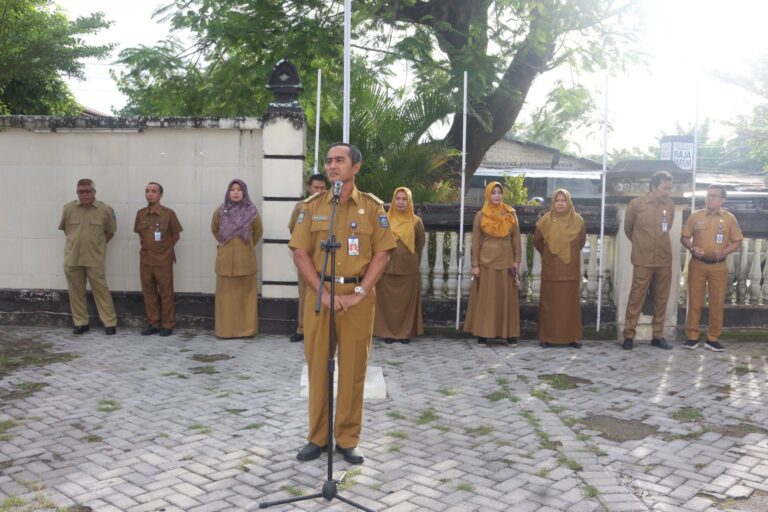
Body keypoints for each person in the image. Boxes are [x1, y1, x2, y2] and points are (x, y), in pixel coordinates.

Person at [289, 142, 396, 465]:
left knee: (352, 370)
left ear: (356, 168)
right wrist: (321, 292)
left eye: (339, 160)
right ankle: (317, 437)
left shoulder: (373, 208)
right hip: (320, 297)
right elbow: (299, 252)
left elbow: (383, 253)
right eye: (329, 161)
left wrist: (360, 292)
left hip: (357, 299)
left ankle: (347, 439)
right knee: (319, 367)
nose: (332, 165)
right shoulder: (312, 206)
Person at [680, 185, 743, 351]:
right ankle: (692, 336)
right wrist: (692, 247)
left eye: (714, 196)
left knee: (717, 302)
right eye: (708, 195)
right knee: (695, 301)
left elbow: (737, 241)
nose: (709, 199)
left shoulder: (730, 219)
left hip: (718, 266)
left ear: (723, 200)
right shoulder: (696, 216)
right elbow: (684, 237)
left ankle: (713, 338)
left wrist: (724, 252)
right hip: (697, 264)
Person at [621, 170, 675, 351]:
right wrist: (640, 244)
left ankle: (657, 336)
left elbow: (668, 227)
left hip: (664, 259)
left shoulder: (670, 205)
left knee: (661, 298)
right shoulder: (636, 204)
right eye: (664, 187)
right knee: (636, 297)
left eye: (669, 188)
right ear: (653, 186)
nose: (667, 191)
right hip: (642, 259)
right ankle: (629, 335)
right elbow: (628, 229)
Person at [463, 181, 522, 347]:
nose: (497, 195)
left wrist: (517, 260)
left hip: (506, 260)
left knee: (507, 298)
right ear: (488, 195)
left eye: (499, 192)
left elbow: (516, 239)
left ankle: (508, 333)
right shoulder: (481, 215)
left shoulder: (511, 213)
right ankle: (482, 333)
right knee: (486, 299)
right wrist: (475, 264)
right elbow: (475, 240)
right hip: (486, 261)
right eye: (493, 192)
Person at [58, 178, 118, 335]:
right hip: (73, 257)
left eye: (87, 191)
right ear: (77, 192)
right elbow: (67, 231)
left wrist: (96, 245)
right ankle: (81, 323)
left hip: (94, 258)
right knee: (76, 291)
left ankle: (109, 323)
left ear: (94, 192)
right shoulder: (68, 208)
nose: (84, 194)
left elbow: (110, 232)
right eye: (81, 191)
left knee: (101, 290)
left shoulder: (105, 210)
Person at [534, 189, 587, 349]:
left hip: (570, 269)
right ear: (553, 203)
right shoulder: (545, 221)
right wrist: (550, 255)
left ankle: (572, 338)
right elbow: (537, 242)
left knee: (570, 306)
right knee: (550, 305)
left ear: (569, 202)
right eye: (557, 200)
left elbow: (582, 242)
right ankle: (546, 338)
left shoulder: (578, 221)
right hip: (552, 270)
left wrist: (568, 253)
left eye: (564, 200)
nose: (560, 203)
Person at [211, 179, 263, 338]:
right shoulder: (220, 211)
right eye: (232, 189)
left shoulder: (252, 212)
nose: (235, 192)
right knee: (225, 300)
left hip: (245, 262)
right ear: (228, 192)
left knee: (246, 299)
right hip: (225, 262)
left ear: (244, 192)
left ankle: (247, 331)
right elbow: (215, 230)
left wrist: (244, 248)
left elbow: (258, 232)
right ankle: (225, 331)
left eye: (239, 189)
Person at [374, 186, 425, 344]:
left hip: (408, 268)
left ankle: (405, 334)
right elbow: (377, 241)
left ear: (409, 201)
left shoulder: (416, 221)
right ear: (393, 200)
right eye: (398, 199)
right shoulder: (384, 219)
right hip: (386, 267)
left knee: (406, 304)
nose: (400, 202)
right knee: (387, 303)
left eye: (404, 199)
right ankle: (387, 333)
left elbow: (420, 243)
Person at [133, 182, 183, 336]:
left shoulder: (168, 214)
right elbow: (140, 235)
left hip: (163, 261)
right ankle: (153, 323)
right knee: (149, 293)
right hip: (146, 260)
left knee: (166, 293)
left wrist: (165, 250)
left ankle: (168, 324)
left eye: (153, 191)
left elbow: (176, 235)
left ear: (160, 195)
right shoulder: (140, 214)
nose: (149, 194)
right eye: (147, 191)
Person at [287, 174, 328, 342]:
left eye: (322, 188)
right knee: (305, 294)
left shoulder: (332, 206)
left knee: (326, 292)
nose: (318, 191)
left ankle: (323, 329)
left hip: (327, 258)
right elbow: (293, 230)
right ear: (309, 188)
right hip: (308, 260)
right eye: (315, 187)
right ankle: (302, 329)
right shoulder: (300, 207)